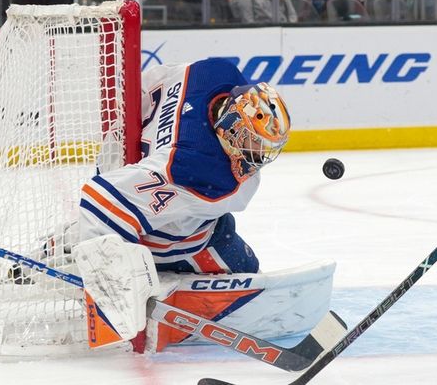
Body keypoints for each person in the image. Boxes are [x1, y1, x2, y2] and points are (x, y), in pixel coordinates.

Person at [74, 58, 291, 343]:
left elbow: (139, 88)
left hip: (125, 165)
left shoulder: (212, 73)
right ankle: (104, 256)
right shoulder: (205, 173)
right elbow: (100, 204)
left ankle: (64, 243)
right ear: (231, 125)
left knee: (212, 226)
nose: (258, 156)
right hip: (150, 220)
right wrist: (113, 284)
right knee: (242, 269)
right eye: (253, 143)